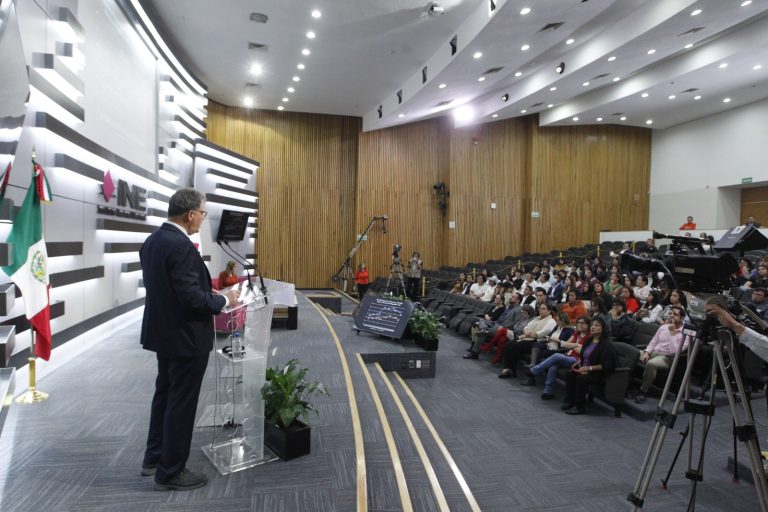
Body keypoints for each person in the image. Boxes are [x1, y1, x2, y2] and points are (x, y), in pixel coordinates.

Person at [140, 188, 239, 491]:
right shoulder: (181, 246)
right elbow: (189, 298)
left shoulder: (153, 241)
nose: (202, 220)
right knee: (181, 403)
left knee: (165, 395)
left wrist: (206, 293)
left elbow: (171, 289)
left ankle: (154, 458)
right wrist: (224, 301)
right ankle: (171, 472)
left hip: (163, 333)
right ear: (189, 214)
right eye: (202, 213)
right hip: (185, 337)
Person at [525, 315, 591, 400]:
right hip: (567, 355)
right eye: (579, 323)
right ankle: (548, 392)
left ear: (588, 325)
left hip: (577, 360)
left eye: (583, 323)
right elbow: (566, 345)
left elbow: (583, 352)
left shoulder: (589, 337)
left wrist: (571, 346)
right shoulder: (576, 334)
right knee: (553, 366)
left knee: (556, 356)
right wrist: (575, 345)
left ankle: (535, 370)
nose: (580, 325)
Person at [563, 317, 617, 415]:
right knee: (569, 374)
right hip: (585, 368)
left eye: (596, 325)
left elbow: (607, 365)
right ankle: (570, 401)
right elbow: (584, 355)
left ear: (603, 329)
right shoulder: (589, 340)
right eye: (592, 325)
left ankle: (580, 407)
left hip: (599, 373)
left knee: (581, 378)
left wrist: (589, 368)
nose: (593, 327)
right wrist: (579, 362)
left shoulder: (607, 345)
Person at [634, 306, 687, 403]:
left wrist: (672, 331)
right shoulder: (663, 327)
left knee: (651, 364)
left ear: (682, 318)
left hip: (667, 357)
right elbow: (653, 342)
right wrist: (647, 352)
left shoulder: (685, 334)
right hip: (653, 352)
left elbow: (674, 351)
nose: (671, 316)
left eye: (675, 314)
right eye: (670, 313)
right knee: (632, 352)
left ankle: (643, 391)